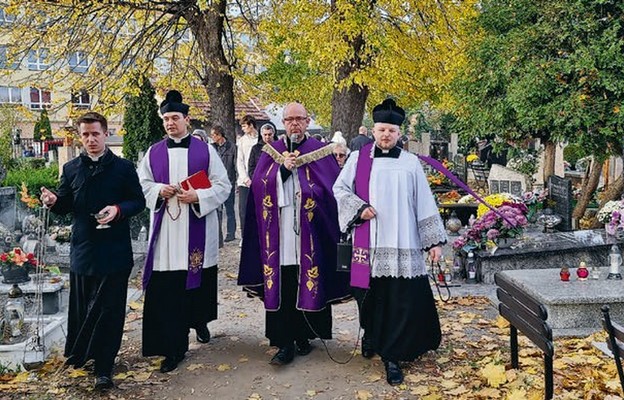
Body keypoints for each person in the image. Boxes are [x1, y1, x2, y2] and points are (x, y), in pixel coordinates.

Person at [333, 98, 447, 386]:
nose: (386, 135)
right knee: (369, 298)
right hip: (367, 243)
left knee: (397, 302)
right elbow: (340, 189)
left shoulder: (410, 163)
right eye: (382, 130)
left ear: (399, 134)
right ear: (374, 130)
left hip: (404, 243)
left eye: (391, 131)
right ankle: (370, 335)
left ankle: (392, 356)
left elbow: (424, 202)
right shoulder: (359, 159)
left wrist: (433, 241)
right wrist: (359, 209)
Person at [238, 102, 350, 366]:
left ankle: (306, 336)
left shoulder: (320, 152)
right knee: (286, 282)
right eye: (289, 120)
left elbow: (333, 191)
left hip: (311, 231)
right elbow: (258, 186)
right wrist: (284, 171)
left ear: (308, 121)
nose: (294, 124)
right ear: (283, 123)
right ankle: (284, 341)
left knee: (308, 279)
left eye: (299, 119)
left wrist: (310, 193)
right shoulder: (272, 151)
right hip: (280, 231)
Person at [40, 112, 145, 391]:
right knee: (84, 305)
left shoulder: (123, 167)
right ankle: (82, 353)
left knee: (109, 309)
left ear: (106, 134)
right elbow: (65, 204)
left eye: (95, 134)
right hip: (84, 249)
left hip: (115, 250)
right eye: (85, 135)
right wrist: (53, 201)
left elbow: (138, 201)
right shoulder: (72, 168)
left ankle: (104, 367)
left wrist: (118, 210)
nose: (90, 139)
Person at [138, 90, 231, 373]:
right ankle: (172, 348)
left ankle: (198, 322)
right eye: (166, 118)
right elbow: (142, 184)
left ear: (186, 119)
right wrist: (158, 190)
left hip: (195, 229)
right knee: (168, 292)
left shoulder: (206, 150)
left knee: (195, 286)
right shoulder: (153, 152)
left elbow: (223, 186)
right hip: (166, 232)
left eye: (174, 118)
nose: (169, 123)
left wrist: (199, 198)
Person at [210, 125, 237, 245]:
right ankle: (218, 234)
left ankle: (231, 233)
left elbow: (235, 166)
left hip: (229, 182)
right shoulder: (212, 148)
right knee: (217, 210)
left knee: (230, 209)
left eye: (213, 135)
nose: (212, 137)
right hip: (215, 184)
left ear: (219, 135)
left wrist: (236, 182)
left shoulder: (232, 148)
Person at [236, 115, 258, 244]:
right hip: (245, 181)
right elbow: (239, 160)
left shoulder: (259, 139)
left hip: (258, 178)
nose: (243, 129)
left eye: (244, 126)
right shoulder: (242, 141)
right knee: (243, 210)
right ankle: (244, 236)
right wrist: (245, 178)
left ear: (251, 125)